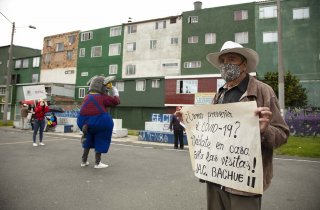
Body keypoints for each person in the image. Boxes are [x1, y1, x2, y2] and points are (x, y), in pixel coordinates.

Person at [200, 41, 290, 210]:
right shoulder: (219, 94)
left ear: (244, 64)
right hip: (215, 178)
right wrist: (189, 122)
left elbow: (282, 134)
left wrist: (265, 130)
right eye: (223, 61)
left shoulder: (264, 91)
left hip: (245, 184)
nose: (227, 64)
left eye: (232, 59)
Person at [77, 75, 120, 169]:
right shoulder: (102, 97)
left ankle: (83, 161)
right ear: (103, 87)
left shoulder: (87, 97)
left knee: (87, 141)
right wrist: (114, 90)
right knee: (101, 139)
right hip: (99, 122)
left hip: (84, 123)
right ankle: (97, 163)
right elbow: (116, 101)